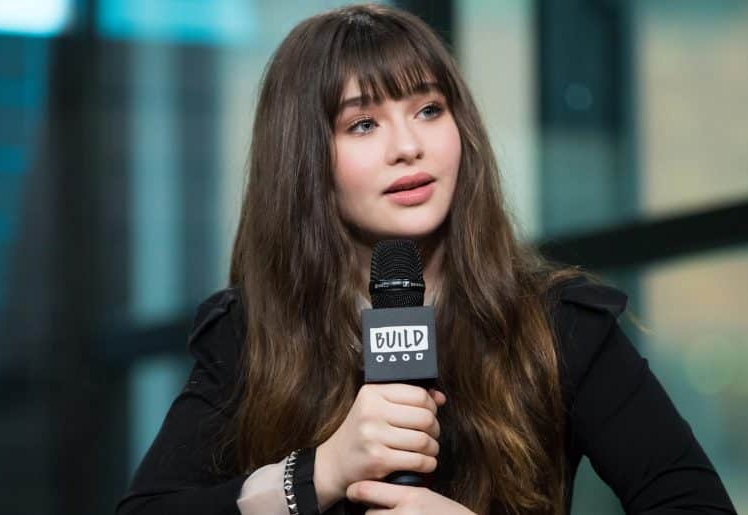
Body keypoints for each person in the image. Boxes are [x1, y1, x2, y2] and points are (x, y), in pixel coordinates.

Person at [116, 4, 736, 515]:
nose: (408, 146)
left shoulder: (559, 323)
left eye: (428, 109)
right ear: (304, 160)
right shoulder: (249, 331)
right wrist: (320, 472)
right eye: (363, 124)